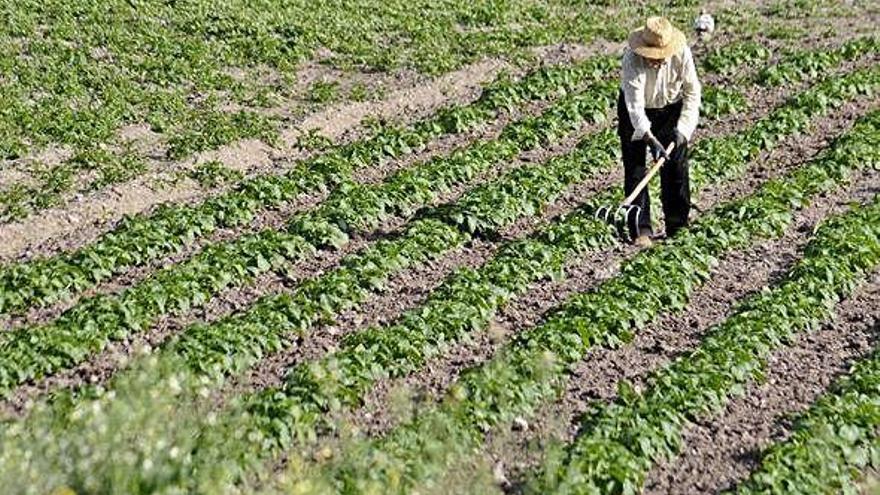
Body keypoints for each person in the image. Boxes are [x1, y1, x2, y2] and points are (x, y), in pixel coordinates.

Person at [618, 16, 701, 247]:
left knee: (676, 166)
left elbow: (693, 93)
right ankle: (641, 229)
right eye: (650, 56)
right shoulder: (632, 60)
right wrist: (649, 136)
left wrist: (683, 130)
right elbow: (634, 105)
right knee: (636, 168)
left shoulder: (682, 54)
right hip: (636, 111)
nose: (654, 61)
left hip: (670, 110)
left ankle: (677, 225)